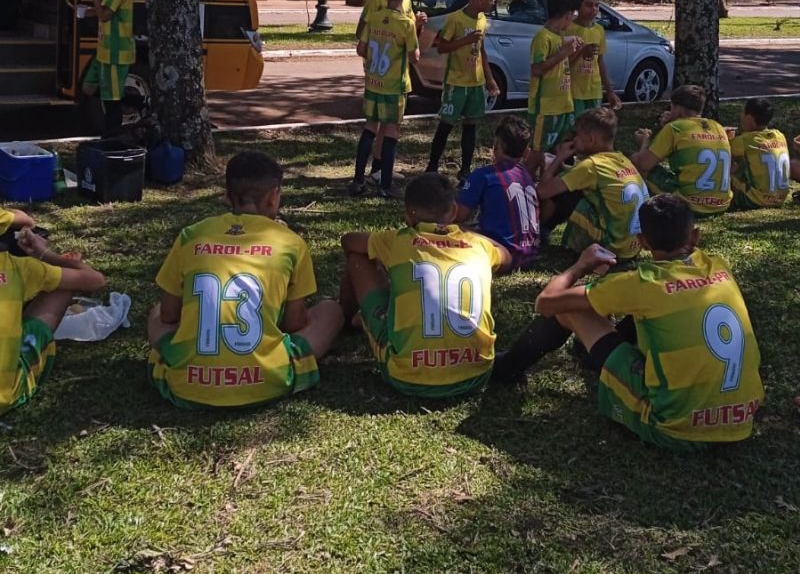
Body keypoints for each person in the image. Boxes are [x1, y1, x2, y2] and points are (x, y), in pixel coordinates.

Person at [495, 194, 763, 450]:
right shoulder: (719, 266)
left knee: (570, 311)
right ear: (695, 236)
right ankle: (590, 357)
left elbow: (546, 302)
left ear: (642, 241)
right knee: (654, 315)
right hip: (741, 421)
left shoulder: (642, 283)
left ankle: (506, 368)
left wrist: (580, 266)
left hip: (672, 427)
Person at [147, 151, 343, 409]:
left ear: (227, 196)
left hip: (187, 386)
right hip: (267, 382)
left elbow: (170, 316)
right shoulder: (291, 243)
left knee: (157, 312)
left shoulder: (191, 235)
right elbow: (296, 323)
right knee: (331, 310)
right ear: (274, 197)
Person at [340, 172, 510, 398]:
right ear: (454, 212)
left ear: (408, 215)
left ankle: (345, 318)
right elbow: (506, 257)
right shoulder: (478, 245)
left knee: (357, 257)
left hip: (408, 376)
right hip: (476, 374)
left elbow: (349, 241)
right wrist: (468, 234)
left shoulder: (398, 240)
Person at [0, 226, 106, 413]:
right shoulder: (15, 267)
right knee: (63, 287)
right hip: (5, 395)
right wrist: (45, 254)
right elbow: (95, 279)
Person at [537, 106, 648, 261]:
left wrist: (558, 158)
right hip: (634, 247)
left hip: (614, 249)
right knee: (571, 183)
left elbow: (542, 191)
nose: (574, 139)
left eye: (578, 135)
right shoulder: (622, 160)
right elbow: (577, 174)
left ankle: (539, 234)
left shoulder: (592, 166)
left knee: (566, 194)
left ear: (591, 139)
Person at [355, 0, 427, 185]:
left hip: (378, 77)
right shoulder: (375, 3)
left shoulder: (403, 7)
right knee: (389, 128)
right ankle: (384, 182)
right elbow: (412, 51)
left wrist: (418, 25)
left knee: (376, 125)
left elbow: (407, 34)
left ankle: (371, 173)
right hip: (391, 79)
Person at [425, 0, 499, 184]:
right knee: (446, 125)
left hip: (475, 83)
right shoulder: (455, 19)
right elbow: (442, 47)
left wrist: (489, 79)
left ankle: (466, 168)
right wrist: (464, 41)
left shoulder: (483, 19)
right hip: (456, 82)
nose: (491, 3)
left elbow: (482, 50)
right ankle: (432, 165)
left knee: (471, 126)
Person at [452, 114, 540, 269]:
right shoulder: (526, 176)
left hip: (502, 252)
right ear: (526, 151)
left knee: (448, 228)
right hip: (531, 253)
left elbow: (457, 215)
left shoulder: (484, 175)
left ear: (497, 145)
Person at [631, 84, 733, 216]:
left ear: (677, 108)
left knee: (635, 161)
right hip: (722, 204)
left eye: (671, 107)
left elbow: (644, 164)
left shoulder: (675, 128)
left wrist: (644, 141)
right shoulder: (717, 126)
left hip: (690, 205)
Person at [83, 0, 134, 136]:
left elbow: (106, 14)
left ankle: (112, 137)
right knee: (88, 88)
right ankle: (128, 100)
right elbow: (105, 8)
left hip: (115, 51)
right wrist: (91, 11)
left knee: (111, 101)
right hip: (104, 51)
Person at [527, 0, 581, 167]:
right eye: (573, 15)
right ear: (566, 15)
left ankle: (545, 187)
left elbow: (560, 65)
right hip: (546, 107)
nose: (573, 19)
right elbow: (537, 69)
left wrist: (574, 52)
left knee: (556, 150)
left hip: (563, 104)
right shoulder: (542, 38)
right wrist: (563, 53)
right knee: (538, 151)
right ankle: (523, 187)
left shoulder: (560, 36)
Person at [728, 98, 792, 210]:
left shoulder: (743, 141)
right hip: (780, 198)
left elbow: (724, 151)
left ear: (749, 118)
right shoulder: (780, 136)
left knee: (729, 165)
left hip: (755, 199)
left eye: (742, 113)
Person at [567, 0, 622, 114]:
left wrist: (609, 91)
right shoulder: (567, 28)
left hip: (594, 91)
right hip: (573, 92)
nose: (593, 9)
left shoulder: (599, 30)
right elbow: (562, 63)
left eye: (597, 5)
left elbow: (600, 61)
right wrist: (581, 52)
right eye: (588, 5)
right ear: (578, 5)